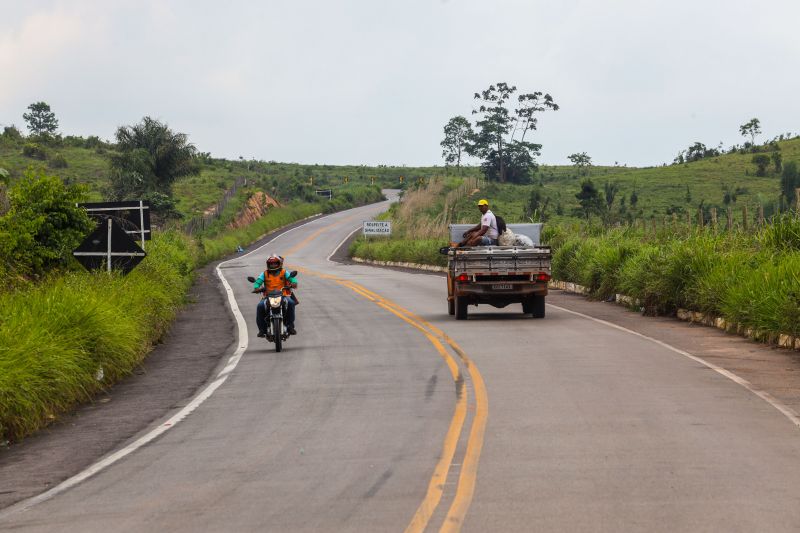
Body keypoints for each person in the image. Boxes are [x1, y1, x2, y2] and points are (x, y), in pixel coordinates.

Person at [253, 254, 298, 336]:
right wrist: (256, 288)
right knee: (260, 306)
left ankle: (290, 326)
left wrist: (294, 283)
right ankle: (262, 329)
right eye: (271, 264)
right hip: (268, 296)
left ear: (278, 263)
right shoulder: (265, 273)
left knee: (291, 303)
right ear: (268, 264)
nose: (273, 265)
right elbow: (258, 282)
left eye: (275, 263)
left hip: (283, 295)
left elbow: (292, 279)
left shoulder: (284, 272)